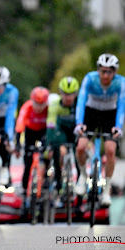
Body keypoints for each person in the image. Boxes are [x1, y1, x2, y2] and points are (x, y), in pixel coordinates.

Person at [74, 53, 125, 207]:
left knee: (110, 150)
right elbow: (81, 101)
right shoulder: (90, 78)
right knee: (81, 147)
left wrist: (118, 127)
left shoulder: (121, 82)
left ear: (114, 72)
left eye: (109, 71)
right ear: (98, 70)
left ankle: (106, 189)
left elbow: (122, 105)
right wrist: (79, 123)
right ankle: (83, 176)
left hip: (110, 115)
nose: (105, 75)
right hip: (91, 112)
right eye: (102, 71)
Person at [45, 76, 79, 207]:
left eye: (71, 94)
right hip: (62, 131)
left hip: (75, 130)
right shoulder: (54, 106)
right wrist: (49, 144)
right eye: (65, 94)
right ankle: (58, 183)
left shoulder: (79, 104)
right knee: (57, 148)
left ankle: (80, 183)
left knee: (79, 153)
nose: (68, 97)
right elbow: (50, 125)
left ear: (75, 94)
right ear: (60, 92)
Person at [15, 86, 49, 197]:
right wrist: (18, 143)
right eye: (36, 104)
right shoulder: (27, 107)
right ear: (32, 100)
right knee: (28, 161)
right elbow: (20, 124)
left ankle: (46, 180)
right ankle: (24, 187)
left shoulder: (49, 108)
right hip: (30, 132)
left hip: (44, 132)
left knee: (46, 155)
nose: (39, 108)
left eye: (41, 104)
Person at [0, 65, 19, 186]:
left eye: (1, 86)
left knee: (5, 140)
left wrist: (9, 137)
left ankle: (5, 167)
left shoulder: (12, 92)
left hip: (5, 118)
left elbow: (11, 115)